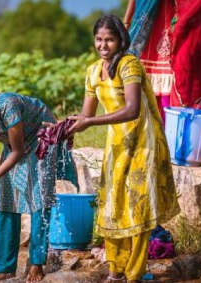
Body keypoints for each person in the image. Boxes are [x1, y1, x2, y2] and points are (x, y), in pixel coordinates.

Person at [67, 15, 179, 283]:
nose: (103, 45)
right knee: (113, 206)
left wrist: (90, 122)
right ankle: (115, 269)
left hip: (142, 142)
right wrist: (65, 127)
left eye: (109, 39)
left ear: (120, 41)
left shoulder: (130, 65)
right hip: (117, 143)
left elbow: (132, 110)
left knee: (137, 207)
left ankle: (134, 273)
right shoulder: (93, 71)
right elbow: (86, 114)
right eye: (99, 39)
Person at [0, 82, 78, 283]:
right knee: (6, 201)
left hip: (40, 136)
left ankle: (37, 262)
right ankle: (5, 267)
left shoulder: (6, 105)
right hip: (15, 144)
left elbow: (19, 152)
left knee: (38, 198)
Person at [123, 0, 175, 124]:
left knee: (169, 81)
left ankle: (168, 133)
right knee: (143, 85)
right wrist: (126, 22)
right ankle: (147, 132)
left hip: (171, 21)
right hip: (144, 23)